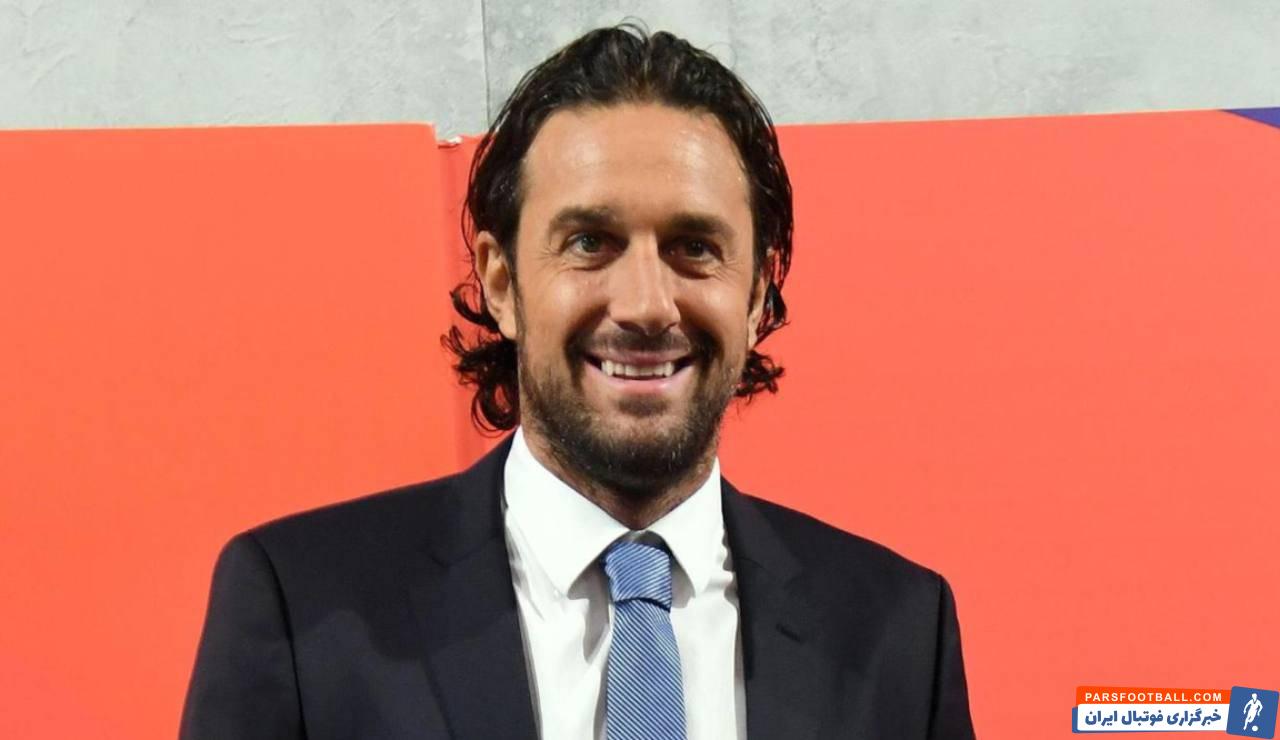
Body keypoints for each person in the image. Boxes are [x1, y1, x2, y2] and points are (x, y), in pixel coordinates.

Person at [181, 24, 975, 740]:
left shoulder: (900, 633)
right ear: (500, 282)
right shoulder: (301, 609)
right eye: (590, 242)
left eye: (695, 247)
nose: (646, 304)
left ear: (759, 294)